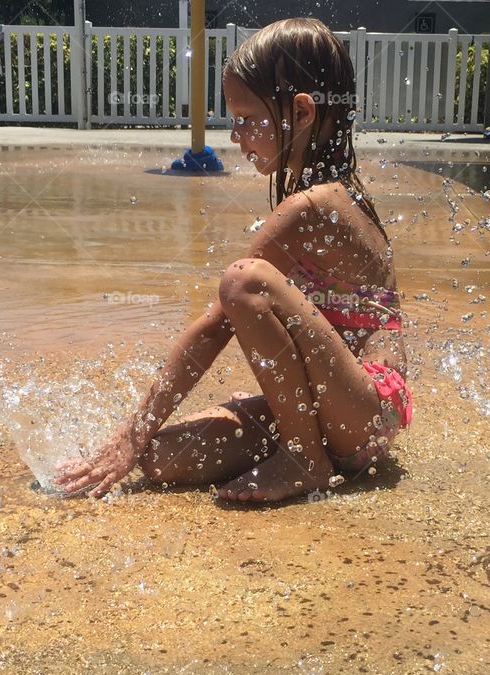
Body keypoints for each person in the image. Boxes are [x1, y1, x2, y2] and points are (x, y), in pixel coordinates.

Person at [54, 18, 412, 502]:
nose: (235, 135)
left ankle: (304, 460)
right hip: (343, 417)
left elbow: (218, 323)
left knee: (246, 281)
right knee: (163, 459)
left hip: (365, 409)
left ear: (301, 112)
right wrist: (140, 444)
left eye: (247, 118)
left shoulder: (314, 205)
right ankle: (308, 448)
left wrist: (131, 430)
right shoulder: (331, 194)